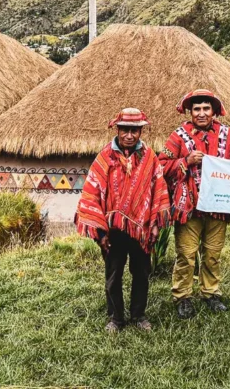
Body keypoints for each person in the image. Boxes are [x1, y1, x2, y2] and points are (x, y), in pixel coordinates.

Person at [75, 108, 171, 333]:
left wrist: (155, 224)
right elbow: (92, 192)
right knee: (113, 274)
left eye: (135, 131)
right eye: (125, 130)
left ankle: (138, 315)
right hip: (113, 230)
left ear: (141, 131)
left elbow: (158, 189)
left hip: (141, 228)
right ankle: (116, 318)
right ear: (117, 129)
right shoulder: (105, 157)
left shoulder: (149, 158)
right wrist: (100, 232)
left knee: (141, 273)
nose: (130, 135)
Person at [160, 89, 230, 319]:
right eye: (197, 109)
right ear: (190, 111)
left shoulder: (228, 135)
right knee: (186, 253)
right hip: (189, 206)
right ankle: (182, 296)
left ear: (214, 111)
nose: (201, 113)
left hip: (218, 206)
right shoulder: (178, 136)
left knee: (212, 253)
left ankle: (210, 293)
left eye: (206, 109)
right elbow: (161, 165)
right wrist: (185, 160)